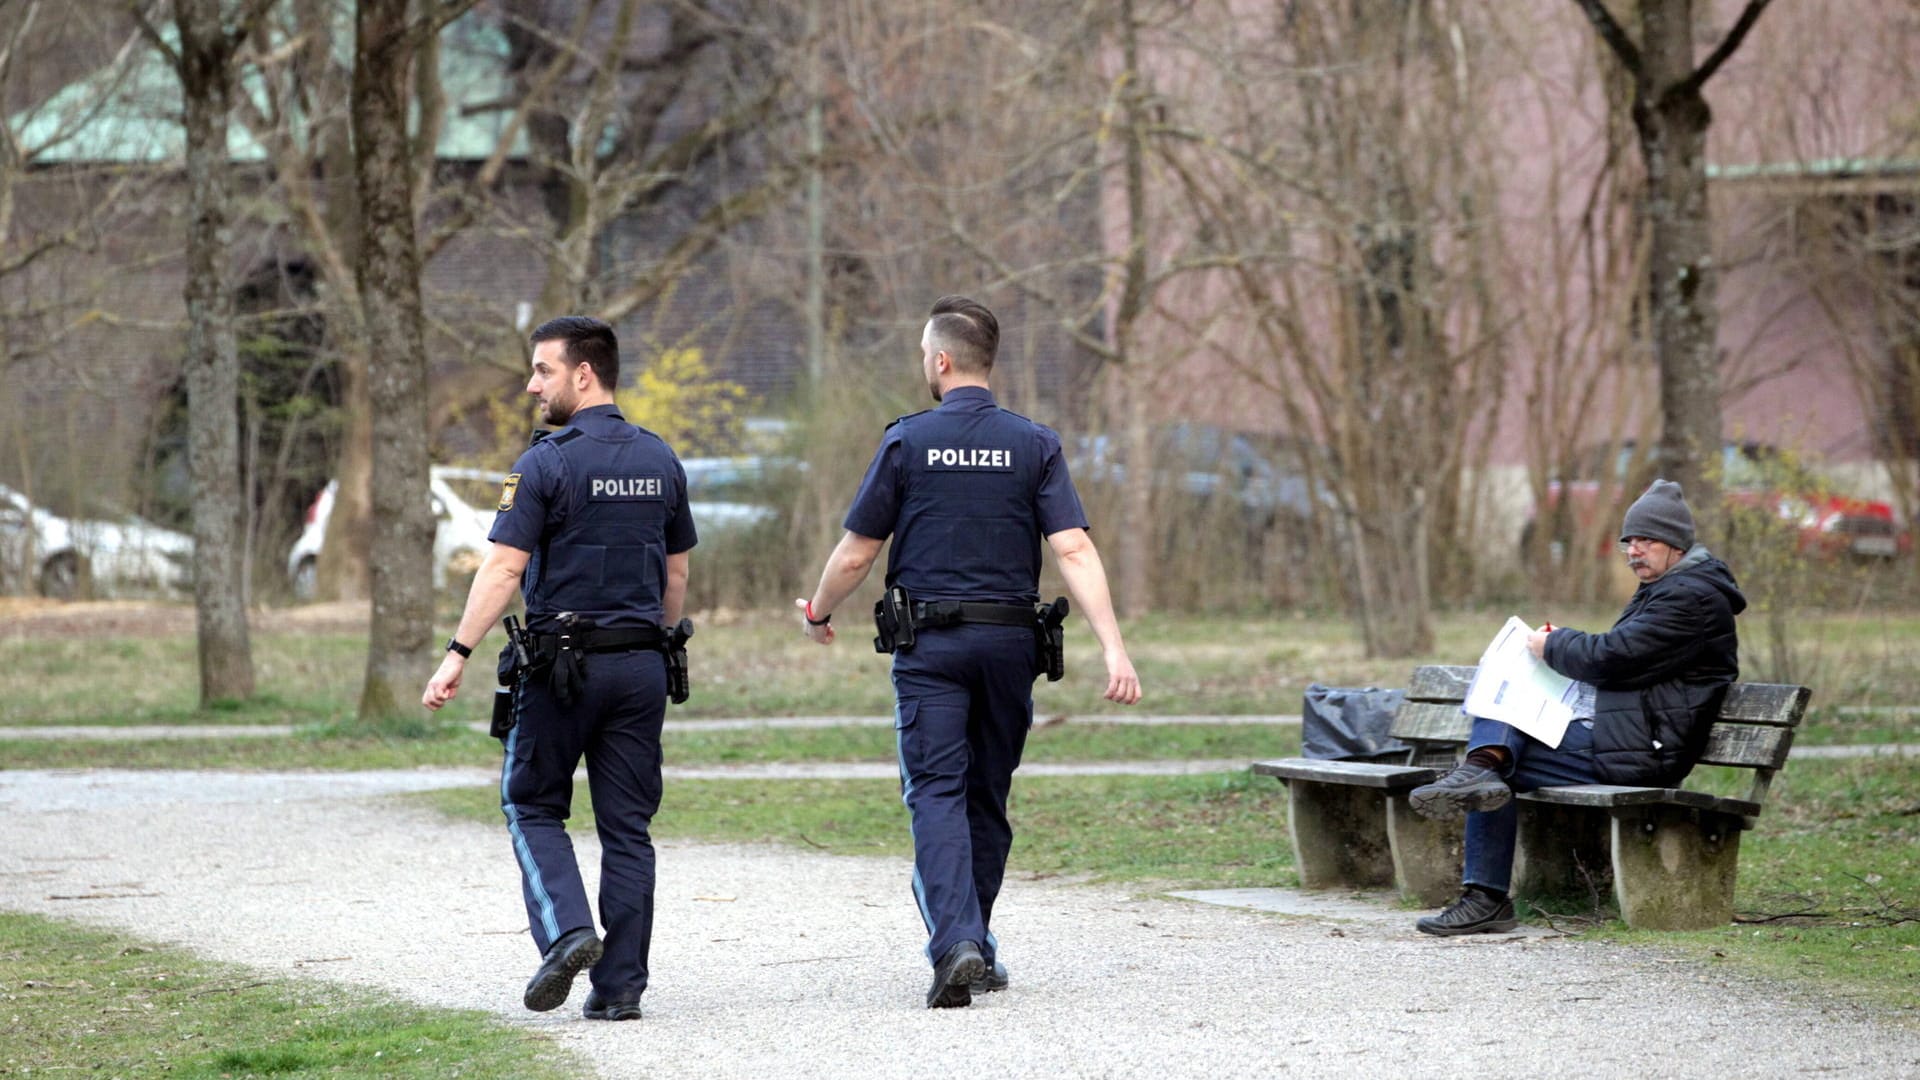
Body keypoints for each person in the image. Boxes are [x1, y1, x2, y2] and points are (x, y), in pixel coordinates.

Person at [796, 295, 1143, 1008]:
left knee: (936, 794)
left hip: (931, 649)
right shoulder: (1035, 443)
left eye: (926, 355)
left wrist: (819, 612)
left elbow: (859, 552)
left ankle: (955, 941)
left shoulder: (907, 441)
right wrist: (1115, 647)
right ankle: (975, 944)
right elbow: (1072, 547)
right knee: (985, 794)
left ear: (942, 360)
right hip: (1012, 644)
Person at [422, 315, 696, 1021]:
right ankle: (620, 992)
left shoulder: (545, 462)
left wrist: (457, 654)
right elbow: (676, 574)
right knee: (627, 829)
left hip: (560, 669)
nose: (531, 384)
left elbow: (505, 566)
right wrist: (656, 642)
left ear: (584, 373)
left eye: (543, 370)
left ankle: (568, 930)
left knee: (532, 805)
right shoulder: (661, 460)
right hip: (640, 668)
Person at [1407, 478, 1744, 935]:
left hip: (1647, 753)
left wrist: (1555, 644)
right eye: (1629, 541)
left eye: (1645, 541)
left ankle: (1484, 888)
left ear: (1676, 545)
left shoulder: (1693, 599)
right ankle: (1481, 778)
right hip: (1627, 735)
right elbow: (1624, 659)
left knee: (1500, 756)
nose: (1633, 551)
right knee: (1503, 722)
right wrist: (1556, 654)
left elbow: (1613, 657)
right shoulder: (1672, 589)